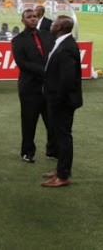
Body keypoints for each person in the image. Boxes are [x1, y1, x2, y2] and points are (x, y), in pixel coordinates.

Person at [41, 15, 83, 187]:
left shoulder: (67, 47)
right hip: (58, 100)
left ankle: (63, 175)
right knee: (60, 137)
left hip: (62, 102)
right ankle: (61, 169)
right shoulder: (62, 43)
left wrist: (57, 100)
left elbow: (67, 79)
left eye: (54, 23)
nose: (51, 25)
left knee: (63, 137)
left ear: (59, 28)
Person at [11, 9, 54, 164]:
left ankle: (52, 150)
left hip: (48, 87)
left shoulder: (47, 35)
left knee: (51, 120)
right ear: (23, 21)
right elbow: (22, 63)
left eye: (35, 17)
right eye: (29, 17)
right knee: (29, 122)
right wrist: (45, 71)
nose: (33, 19)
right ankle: (27, 152)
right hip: (29, 87)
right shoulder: (18, 40)